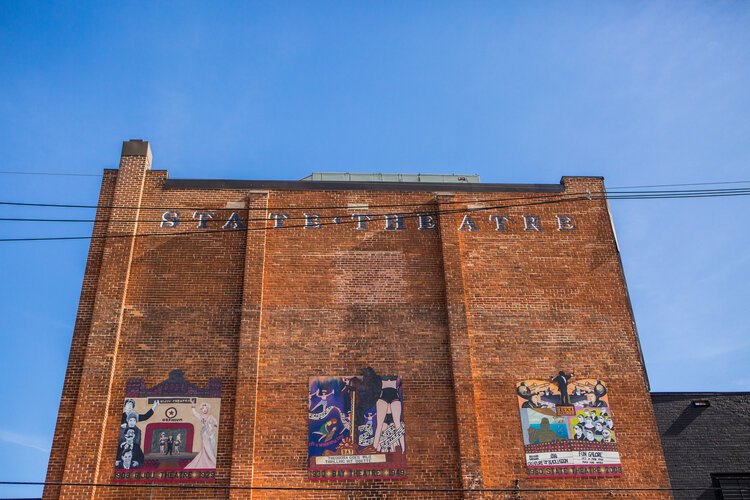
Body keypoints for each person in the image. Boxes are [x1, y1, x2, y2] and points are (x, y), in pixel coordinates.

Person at [373, 376, 405, 453]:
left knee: (397, 424)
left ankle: (403, 449)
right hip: (383, 396)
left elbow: (401, 379)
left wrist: (399, 380)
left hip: (394, 395)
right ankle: (374, 449)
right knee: (379, 425)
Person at [185, 402, 218, 469]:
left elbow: (215, 423)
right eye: (203, 408)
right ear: (201, 409)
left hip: (210, 433)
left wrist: (213, 429)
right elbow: (195, 413)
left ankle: (210, 459)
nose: (204, 409)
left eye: (206, 408)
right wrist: (193, 406)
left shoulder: (210, 416)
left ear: (208, 409)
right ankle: (206, 459)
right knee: (205, 446)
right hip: (204, 433)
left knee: (209, 446)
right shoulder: (200, 416)